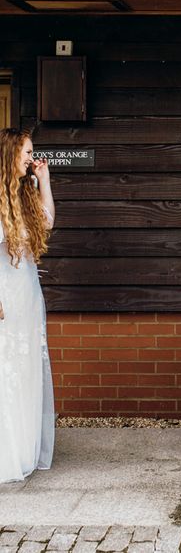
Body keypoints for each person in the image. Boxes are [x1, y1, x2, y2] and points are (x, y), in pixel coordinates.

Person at [0, 128, 56, 483]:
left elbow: (47, 222)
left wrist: (45, 181)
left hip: (29, 296)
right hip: (5, 296)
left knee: (27, 369)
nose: (30, 157)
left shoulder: (26, 193)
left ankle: (24, 447)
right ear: (11, 155)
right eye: (27, 152)